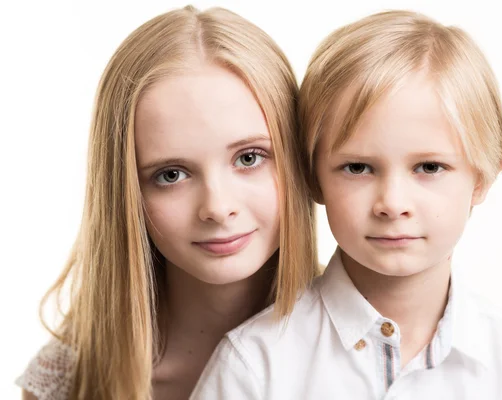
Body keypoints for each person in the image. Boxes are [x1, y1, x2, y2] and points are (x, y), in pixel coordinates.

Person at [192, 10, 502, 399]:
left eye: (429, 167)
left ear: (483, 176)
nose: (392, 204)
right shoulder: (255, 366)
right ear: (312, 177)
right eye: (358, 167)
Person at [16, 5, 317, 399]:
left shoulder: (370, 353)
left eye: (249, 158)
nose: (217, 206)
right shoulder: (71, 382)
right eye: (171, 174)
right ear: (126, 194)